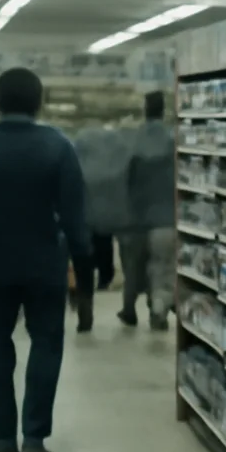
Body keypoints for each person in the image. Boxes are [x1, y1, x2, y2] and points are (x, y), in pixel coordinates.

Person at [0, 67, 90, 452]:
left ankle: (3, 441)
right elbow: (75, 218)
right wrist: (84, 273)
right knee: (46, 344)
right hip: (44, 265)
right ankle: (34, 436)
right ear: (40, 104)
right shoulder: (59, 147)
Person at [119, 91, 175, 331]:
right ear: (164, 110)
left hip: (137, 218)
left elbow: (124, 178)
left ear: (145, 109)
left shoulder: (133, 139)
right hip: (167, 218)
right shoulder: (173, 140)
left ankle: (129, 309)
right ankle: (158, 308)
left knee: (133, 266)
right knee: (161, 267)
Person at [72, 125, 135, 332]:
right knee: (105, 251)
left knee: (84, 262)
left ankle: (85, 304)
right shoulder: (118, 156)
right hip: (112, 218)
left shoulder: (79, 155)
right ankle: (107, 280)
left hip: (85, 217)